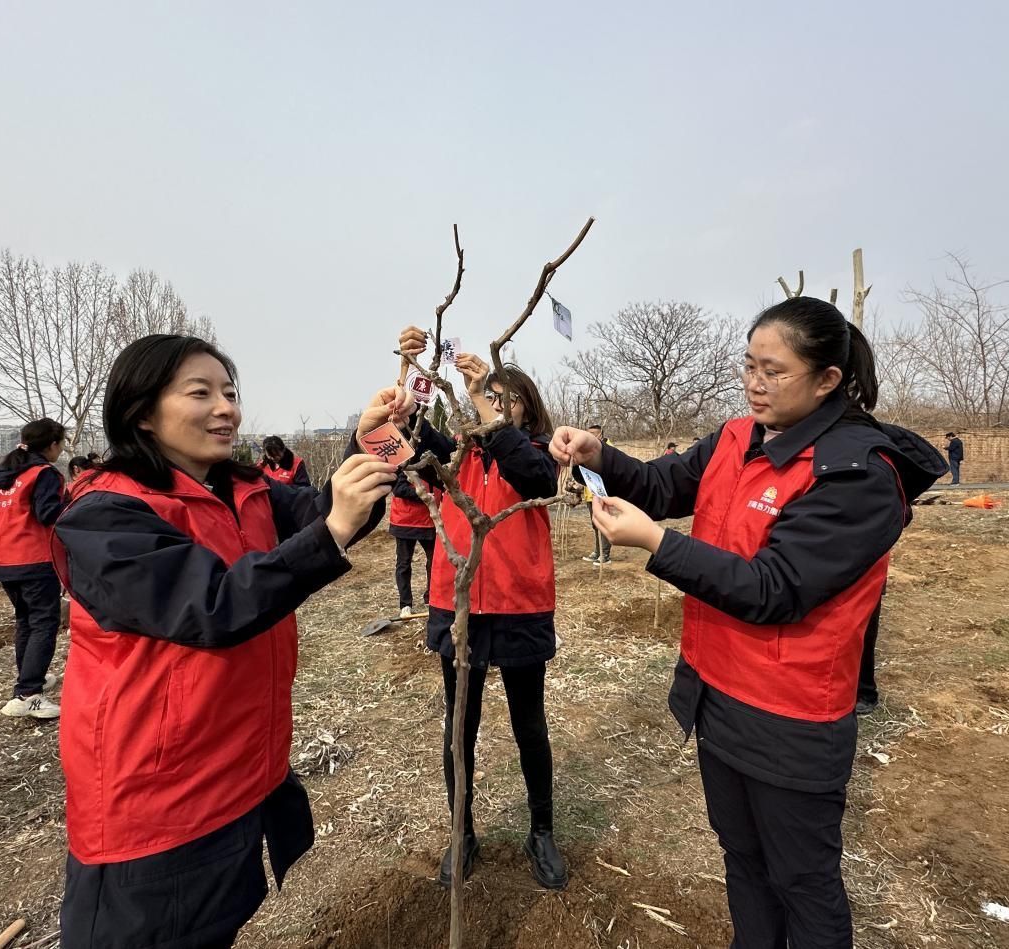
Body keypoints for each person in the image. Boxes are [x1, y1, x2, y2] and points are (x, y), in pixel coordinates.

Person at [550, 297, 946, 948]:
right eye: (749, 365)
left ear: (826, 381)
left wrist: (656, 543)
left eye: (774, 370)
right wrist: (602, 454)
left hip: (792, 722)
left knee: (803, 882)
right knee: (743, 861)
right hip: (719, 698)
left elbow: (776, 588)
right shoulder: (737, 437)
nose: (755, 382)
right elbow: (660, 484)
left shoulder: (857, 475)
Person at [53, 334, 407, 948]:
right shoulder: (104, 516)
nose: (226, 408)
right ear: (142, 411)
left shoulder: (247, 489)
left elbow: (332, 511)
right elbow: (212, 605)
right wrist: (332, 529)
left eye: (230, 392)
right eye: (201, 393)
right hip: (158, 808)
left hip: (240, 776)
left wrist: (371, 438)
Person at [398, 325, 568, 891]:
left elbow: (537, 478)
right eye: (487, 397)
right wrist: (406, 379)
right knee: (460, 724)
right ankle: (461, 831)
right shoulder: (456, 457)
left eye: (505, 400)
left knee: (528, 722)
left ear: (526, 409)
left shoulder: (536, 455)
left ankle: (541, 830)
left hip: (520, 605)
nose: (493, 406)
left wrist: (486, 410)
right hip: (459, 606)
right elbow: (399, 461)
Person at [0, 418, 67, 720]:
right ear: (52, 445)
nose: (61, 450)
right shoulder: (44, 474)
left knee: (26, 621)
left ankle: (30, 680)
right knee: (43, 623)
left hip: (3, 562)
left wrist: (6, 534)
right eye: (60, 444)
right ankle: (28, 694)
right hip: (35, 561)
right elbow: (49, 512)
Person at [389, 471, 441, 618]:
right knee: (404, 563)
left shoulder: (433, 461)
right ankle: (405, 604)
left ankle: (431, 598)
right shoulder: (402, 463)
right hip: (404, 520)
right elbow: (398, 489)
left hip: (428, 520)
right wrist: (422, 495)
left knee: (434, 561)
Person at [580, 423, 613, 565]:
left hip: (602, 493)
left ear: (601, 434)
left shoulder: (609, 449)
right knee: (595, 524)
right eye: (589, 433)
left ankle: (605, 554)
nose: (591, 436)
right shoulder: (587, 450)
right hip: (589, 493)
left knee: (603, 523)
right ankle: (598, 551)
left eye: (594, 433)